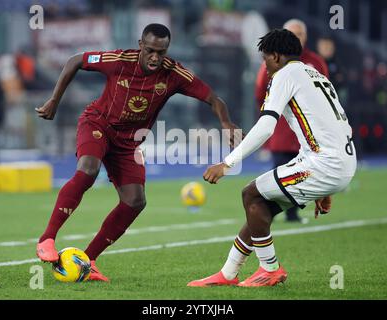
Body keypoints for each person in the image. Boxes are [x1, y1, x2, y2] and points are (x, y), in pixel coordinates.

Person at [35, 24, 240, 281]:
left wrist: (225, 122)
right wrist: (54, 100)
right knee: (88, 170)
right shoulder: (119, 60)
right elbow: (75, 61)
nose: (155, 57)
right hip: (98, 124)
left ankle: (88, 260)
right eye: (151, 50)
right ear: (140, 45)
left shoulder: (174, 74)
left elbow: (214, 99)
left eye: (161, 52)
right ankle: (47, 239)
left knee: (135, 201)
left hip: (128, 144)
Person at [188, 29, 356, 287]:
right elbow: (335, 125)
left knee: (251, 194)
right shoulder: (316, 74)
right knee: (263, 205)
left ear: (276, 56)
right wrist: (327, 185)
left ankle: (270, 269)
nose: (264, 65)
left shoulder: (284, 75)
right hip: (338, 159)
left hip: (324, 164)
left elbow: (266, 127)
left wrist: (227, 163)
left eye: (265, 58)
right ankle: (228, 273)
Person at [255, 19, 329, 223]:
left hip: (310, 132)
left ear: (306, 36)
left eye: (300, 34)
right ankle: (275, 210)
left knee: (306, 172)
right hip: (282, 129)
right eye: (292, 34)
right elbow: (260, 91)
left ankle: (290, 211)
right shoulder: (273, 61)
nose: (297, 38)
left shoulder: (316, 62)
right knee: (279, 171)